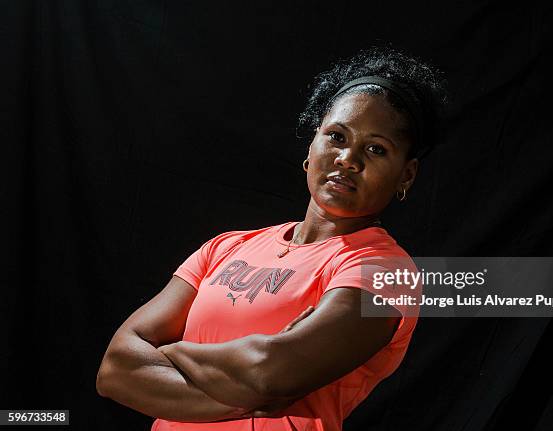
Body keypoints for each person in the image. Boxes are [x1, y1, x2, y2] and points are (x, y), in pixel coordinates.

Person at [96, 46, 447, 431]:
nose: (348, 158)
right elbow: (115, 369)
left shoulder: (386, 271)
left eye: (376, 149)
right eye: (336, 136)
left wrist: (169, 354)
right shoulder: (225, 247)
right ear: (311, 149)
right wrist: (249, 374)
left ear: (406, 176)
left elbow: (270, 374)